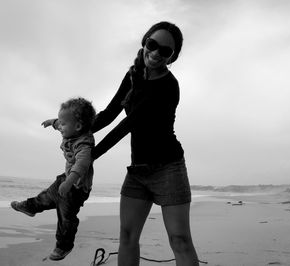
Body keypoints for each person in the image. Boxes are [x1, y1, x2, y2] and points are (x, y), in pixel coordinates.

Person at [91, 21, 199, 266]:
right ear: (145, 41)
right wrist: (75, 130)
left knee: (180, 240)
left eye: (165, 51)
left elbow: (128, 124)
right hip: (138, 170)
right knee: (127, 237)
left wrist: (91, 155)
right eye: (153, 44)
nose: (156, 53)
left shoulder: (169, 87)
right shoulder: (132, 75)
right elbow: (109, 114)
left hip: (168, 168)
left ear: (172, 57)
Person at [10, 97, 96, 261]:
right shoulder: (71, 128)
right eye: (60, 123)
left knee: (65, 216)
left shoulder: (83, 143)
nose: (60, 127)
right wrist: (52, 122)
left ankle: (63, 246)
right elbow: (59, 123)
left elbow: (82, 164)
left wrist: (69, 182)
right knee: (47, 196)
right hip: (65, 180)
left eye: (63, 124)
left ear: (77, 126)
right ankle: (30, 207)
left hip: (76, 187)